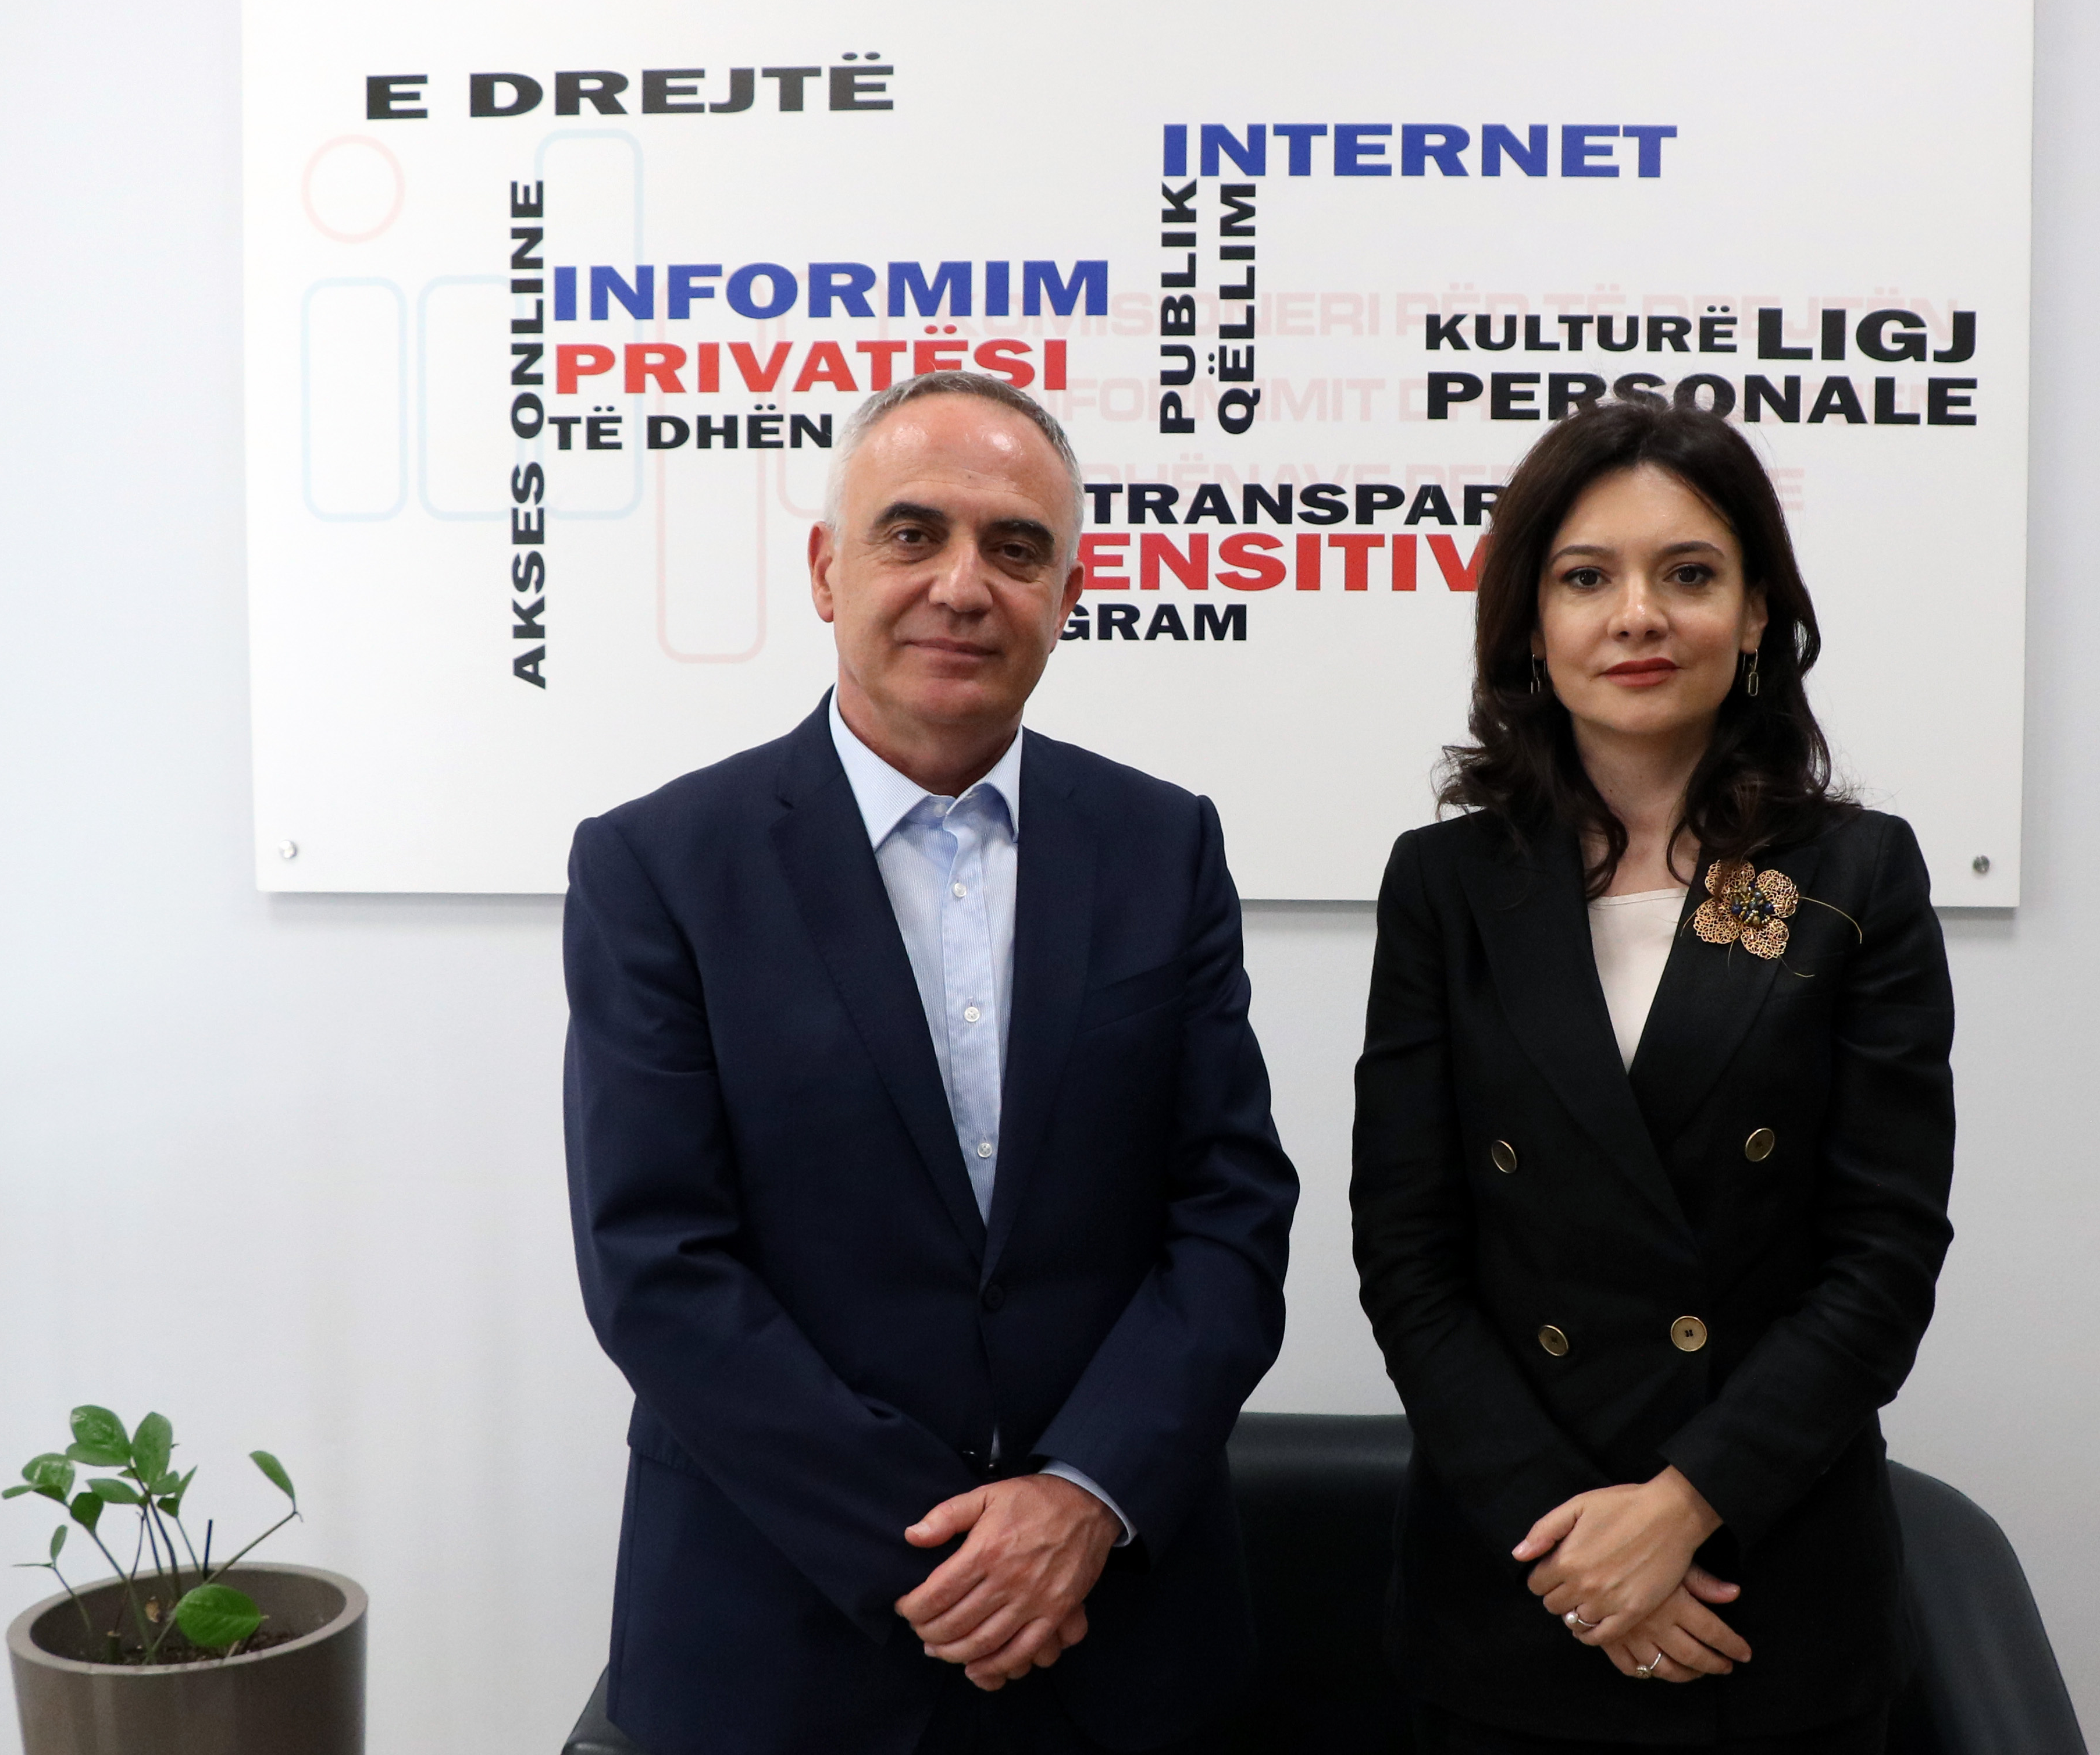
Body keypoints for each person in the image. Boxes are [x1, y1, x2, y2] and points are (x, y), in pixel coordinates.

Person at [562, 370, 1299, 1755]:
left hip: (1118, 1634)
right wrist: (947, 1552)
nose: (963, 584)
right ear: (825, 569)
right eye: (912, 533)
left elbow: (1230, 1213)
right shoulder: (657, 866)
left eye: (1016, 547)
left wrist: (1081, 1496)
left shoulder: (1164, 847)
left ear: (1069, 591)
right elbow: (657, 1261)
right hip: (778, 1639)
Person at [1350, 400, 1955, 1754]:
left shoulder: (1855, 874)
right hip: (1518, 1581)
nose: (1638, 614)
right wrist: (1576, 1544)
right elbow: (1407, 1250)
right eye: (1586, 577)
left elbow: (1882, 1254)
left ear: (1755, 614)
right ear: (1529, 623)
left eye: (1688, 572)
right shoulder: (1445, 885)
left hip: (1766, 1582)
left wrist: (1680, 1508)